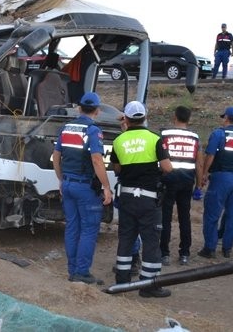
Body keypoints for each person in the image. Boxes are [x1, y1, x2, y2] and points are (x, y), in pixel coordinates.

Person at [111, 101, 172, 297]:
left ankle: (121, 282)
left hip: (127, 197)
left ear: (126, 119)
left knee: (126, 238)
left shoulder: (118, 141)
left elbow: (117, 168)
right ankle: (148, 286)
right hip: (148, 199)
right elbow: (167, 168)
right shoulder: (155, 139)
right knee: (151, 241)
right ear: (144, 117)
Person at [52, 92, 112, 285]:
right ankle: (82, 272)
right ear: (97, 110)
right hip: (85, 187)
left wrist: (61, 180)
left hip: (68, 184)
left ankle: (72, 271)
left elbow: (56, 156)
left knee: (72, 227)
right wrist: (106, 187)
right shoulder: (93, 130)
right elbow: (96, 159)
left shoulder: (66, 128)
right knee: (88, 229)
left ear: (78, 108)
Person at [198, 106, 233, 259]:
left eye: (223, 117)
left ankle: (210, 248)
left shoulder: (219, 134)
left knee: (212, 213)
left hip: (221, 177)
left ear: (227, 119)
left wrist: (204, 174)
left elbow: (210, 155)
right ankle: (227, 248)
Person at [159, 105, 201, 266]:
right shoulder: (194, 137)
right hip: (187, 180)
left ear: (174, 117)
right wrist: (198, 185)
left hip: (168, 179)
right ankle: (184, 253)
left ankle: (164, 254)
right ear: (189, 119)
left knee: (165, 217)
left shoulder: (164, 134)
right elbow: (199, 162)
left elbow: (159, 157)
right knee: (185, 217)